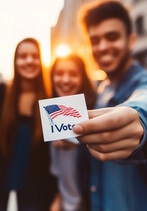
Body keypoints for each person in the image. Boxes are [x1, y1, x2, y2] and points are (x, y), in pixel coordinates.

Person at [72, 0, 147, 210]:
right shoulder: (101, 89)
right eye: (95, 40)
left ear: (131, 40)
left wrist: (141, 119)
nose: (102, 47)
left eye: (112, 37)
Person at [0, 38, 57, 210]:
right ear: (15, 61)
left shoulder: (51, 98)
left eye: (34, 56)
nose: (29, 61)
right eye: (23, 56)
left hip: (36, 187)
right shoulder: (3, 92)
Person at [49, 54, 96, 211]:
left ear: (82, 77)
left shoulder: (95, 112)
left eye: (73, 74)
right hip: (64, 203)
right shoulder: (49, 114)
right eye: (59, 73)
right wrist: (58, 199)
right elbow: (56, 169)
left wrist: (79, 144)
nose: (65, 79)